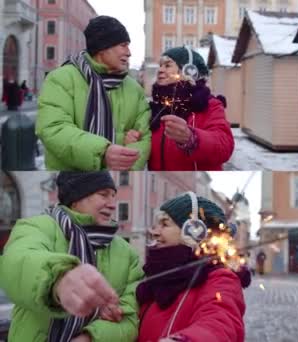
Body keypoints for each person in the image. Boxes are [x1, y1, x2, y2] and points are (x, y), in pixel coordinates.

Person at [0, 171, 144, 341]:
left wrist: (89, 337)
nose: (113, 204)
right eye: (104, 195)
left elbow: (130, 320)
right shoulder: (37, 226)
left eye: (113, 196)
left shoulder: (128, 254)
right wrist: (57, 279)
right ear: (76, 199)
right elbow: (17, 261)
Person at [36, 15, 151, 171]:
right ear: (103, 48)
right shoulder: (60, 79)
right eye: (123, 45)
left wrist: (122, 168)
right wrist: (105, 151)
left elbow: (143, 137)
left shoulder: (134, 88)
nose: (129, 52)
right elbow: (54, 129)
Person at [137, 193, 245, 342]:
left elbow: (220, 323)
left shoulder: (221, 279)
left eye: (165, 224)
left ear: (193, 232)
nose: (154, 232)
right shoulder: (153, 276)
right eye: (157, 224)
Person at [138, 46, 234, 171]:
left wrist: (192, 138)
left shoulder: (209, 105)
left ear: (189, 71)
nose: (160, 70)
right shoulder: (156, 108)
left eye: (167, 65)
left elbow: (224, 147)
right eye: (160, 66)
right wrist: (137, 140)